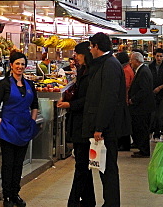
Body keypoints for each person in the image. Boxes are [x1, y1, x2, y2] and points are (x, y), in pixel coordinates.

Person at [82, 32, 130, 207]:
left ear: (96, 46)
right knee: (104, 167)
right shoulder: (107, 63)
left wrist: (99, 127)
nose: (89, 50)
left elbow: (108, 99)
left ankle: (111, 203)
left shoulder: (109, 65)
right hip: (106, 126)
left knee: (108, 168)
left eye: (90, 46)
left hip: (108, 128)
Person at [0, 52, 40, 207]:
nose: (20, 67)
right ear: (11, 65)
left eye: (22, 64)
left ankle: (15, 193)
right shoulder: (4, 84)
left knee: (19, 163)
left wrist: (32, 121)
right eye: (17, 64)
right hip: (8, 128)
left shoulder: (30, 85)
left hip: (24, 128)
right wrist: (1, 123)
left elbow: (35, 105)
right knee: (8, 163)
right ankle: (7, 196)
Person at [57, 41, 94, 207]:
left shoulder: (92, 72)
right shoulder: (83, 70)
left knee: (81, 165)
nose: (76, 57)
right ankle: (88, 200)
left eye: (78, 54)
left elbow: (89, 100)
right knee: (83, 165)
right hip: (79, 123)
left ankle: (73, 202)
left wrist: (70, 104)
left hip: (84, 125)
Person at [127, 51, 154, 157]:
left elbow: (144, 90)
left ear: (137, 61)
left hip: (142, 107)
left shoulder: (143, 72)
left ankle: (144, 150)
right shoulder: (142, 70)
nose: (130, 62)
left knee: (141, 129)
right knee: (140, 129)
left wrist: (133, 99)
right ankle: (142, 148)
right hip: (142, 107)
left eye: (132, 60)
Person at [115, 51, 133, 151]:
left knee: (123, 123)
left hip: (124, 99)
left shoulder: (125, 70)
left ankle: (124, 144)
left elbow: (125, 85)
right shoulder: (127, 68)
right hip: (125, 98)